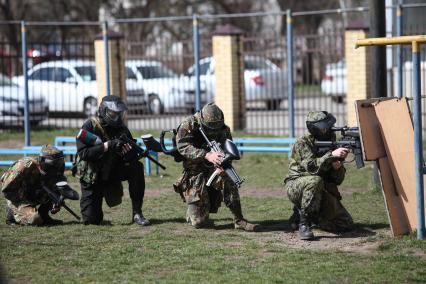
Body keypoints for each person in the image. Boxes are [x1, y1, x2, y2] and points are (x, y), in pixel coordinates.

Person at [173, 102, 258, 231]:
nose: (214, 130)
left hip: (214, 169)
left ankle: (239, 220)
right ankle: (194, 212)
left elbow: (227, 149)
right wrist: (206, 155)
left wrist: (223, 164)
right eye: (211, 128)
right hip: (194, 172)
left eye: (216, 127)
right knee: (199, 222)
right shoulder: (188, 125)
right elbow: (183, 147)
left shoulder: (223, 129)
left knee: (229, 178)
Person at [74, 95, 149, 226]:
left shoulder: (122, 129)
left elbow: (130, 156)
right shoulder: (90, 126)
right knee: (91, 220)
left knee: (136, 167)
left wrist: (128, 153)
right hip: (93, 178)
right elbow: (84, 153)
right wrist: (108, 145)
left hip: (112, 172)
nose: (117, 117)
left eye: (120, 114)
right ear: (104, 111)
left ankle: (137, 213)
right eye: (114, 114)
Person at [284, 111, 354, 240]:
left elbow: (337, 181)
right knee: (315, 180)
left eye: (328, 126)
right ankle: (304, 223)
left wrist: (337, 168)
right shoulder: (302, 142)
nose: (327, 130)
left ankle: (311, 217)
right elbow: (311, 167)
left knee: (345, 224)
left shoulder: (331, 140)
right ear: (314, 128)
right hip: (296, 185)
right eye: (323, 127)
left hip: (321, 189)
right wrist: (331, 155)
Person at [1, 145, 68, 225]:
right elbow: (6, 189)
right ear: (44, 161)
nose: (58, 165)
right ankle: (12, 213)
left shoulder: (53, 172)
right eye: (55, 162)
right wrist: (20, 204)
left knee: (59, 185)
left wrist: (55, 203)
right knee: (35, 219)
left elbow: (57, 189)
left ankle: (44, 216)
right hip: (17, 198)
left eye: (60, 161)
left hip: (32, 195)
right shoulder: (24, 166)